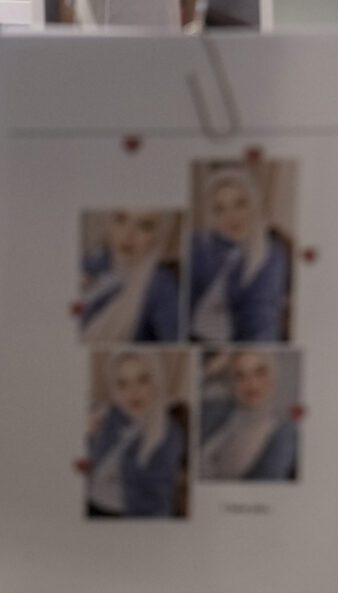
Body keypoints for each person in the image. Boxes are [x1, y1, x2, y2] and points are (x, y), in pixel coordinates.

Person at [189, 166, 291, 342]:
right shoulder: (199, 244)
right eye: (219, 209)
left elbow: (261, 318)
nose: (231, 216)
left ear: (254, 205)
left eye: (240, 204)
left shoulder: (270, 253)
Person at [86, 352, 185, 518]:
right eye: (122, 384)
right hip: (91, 508)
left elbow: (158, 499)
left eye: (142, 380)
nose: (133, 392)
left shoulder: (169, 432)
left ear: (156, 381)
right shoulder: (109, 417)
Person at [80, 209, 182, 342]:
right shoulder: (90, 261)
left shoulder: (161, 284)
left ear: (159, 235)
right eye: (121, 219)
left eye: (145, 226)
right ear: (109, 223)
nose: (128, 235)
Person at [200, 350, 297, 481]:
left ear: (273, 377)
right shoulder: (218, 412)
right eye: (240, 376)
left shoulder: (283, 432)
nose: (251, 383)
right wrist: (209, 369)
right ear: (231, 384)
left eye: (259, 372)